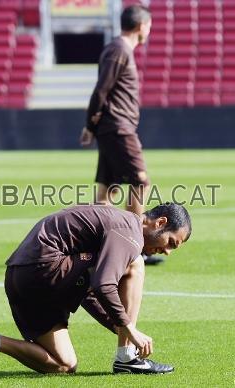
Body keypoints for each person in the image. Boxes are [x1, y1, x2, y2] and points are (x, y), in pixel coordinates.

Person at [0, 202, 192, 378]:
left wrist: (118, 326)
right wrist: (129, 327)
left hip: (21, 278)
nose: (168, 252)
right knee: (136, 263)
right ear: (160, 223)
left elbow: (89, 289)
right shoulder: (129, 232)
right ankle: (126, 358)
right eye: (171, 243)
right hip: (44, 270)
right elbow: (103, 283)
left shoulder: (120, 225)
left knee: (64, 364)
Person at [79, 5, 164, 265]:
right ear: (141, 26)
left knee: (107, 191)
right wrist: (90, 126)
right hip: (118, 128)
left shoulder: (119, 49)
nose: (149, 30)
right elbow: (101, 90)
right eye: (148, 25)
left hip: (113, 128)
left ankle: (85, 245)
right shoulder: (119, 49)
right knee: (141, 183)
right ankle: (133, 247)